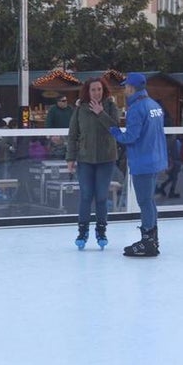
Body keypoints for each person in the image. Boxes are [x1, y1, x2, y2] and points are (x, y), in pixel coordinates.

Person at [110, 72, 167, 257]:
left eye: (126, 86)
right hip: (155, 158)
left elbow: (130, 137)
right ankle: (152, 238)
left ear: (132, 87)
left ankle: (147, 241)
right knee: (149, 200)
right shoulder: (154, 105)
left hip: (143, 161)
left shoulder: (136, 108)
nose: (124, 89)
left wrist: (115, 132)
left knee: (144, 201)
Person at [66, 77, 120, 250]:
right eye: (93, 90)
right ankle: (82, 232)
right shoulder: (80, 109)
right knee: (86, 196)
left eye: (99, 89)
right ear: (87, 92)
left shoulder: (111, 107)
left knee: (102, 196)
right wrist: (70, 159)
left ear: (103, 90)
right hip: (85, 159)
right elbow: (73, 134)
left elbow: (115, 129)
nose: (97, 92)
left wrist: (100, 113)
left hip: (106, 159)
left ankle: (101, 230)